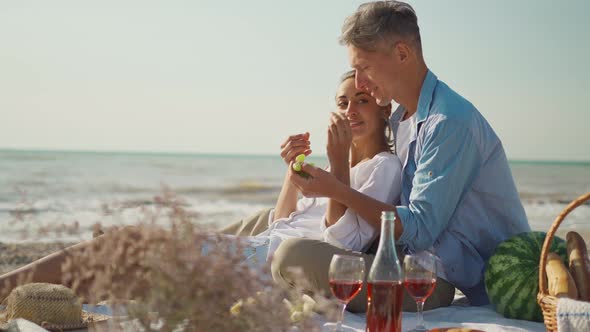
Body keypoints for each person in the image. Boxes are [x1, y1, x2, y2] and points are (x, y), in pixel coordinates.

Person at [0, 70, 402, 299]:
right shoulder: (340, 166)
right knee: (123, 272)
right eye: (343, 102)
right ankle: (28, 303)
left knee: (126, 243)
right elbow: (280, 222)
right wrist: (291, 175)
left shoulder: (383, 167)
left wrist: (334, 167)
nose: (350, 111)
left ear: (383, 109)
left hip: (273, 269)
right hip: (260, 250)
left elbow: (342, 243)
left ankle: (7, 288)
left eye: (362, 101)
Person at [265, 0, 531, 312]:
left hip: (433, 281)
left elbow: (419, 229)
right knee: (270, 231)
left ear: (402, 53)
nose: (360, 82)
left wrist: (336, 189)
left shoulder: (449, 123)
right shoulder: (400, 119)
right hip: (397, 260)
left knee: (290, 255)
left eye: (364, 68)